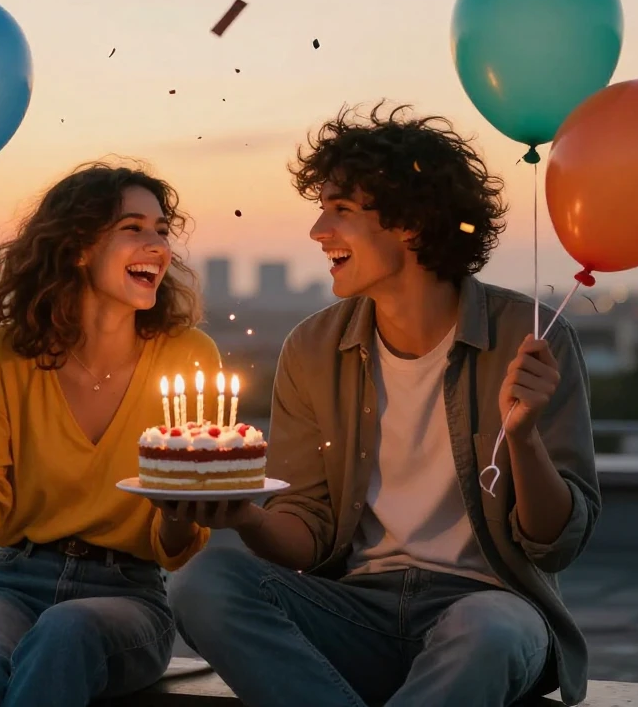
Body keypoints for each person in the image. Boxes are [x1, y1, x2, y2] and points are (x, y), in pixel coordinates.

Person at [169, 105, 600, 707]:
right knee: (204, 583)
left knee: (491, 632)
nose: (318, 231)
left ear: (412, 225)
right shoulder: (313, 348)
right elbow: (309, 532)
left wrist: (523, 438)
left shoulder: (529, 339)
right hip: (354, 612)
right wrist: (246, 516)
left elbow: (556, 543)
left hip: (485, 609)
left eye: (341, 210)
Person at [0, 162, 220, 707]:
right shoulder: (7, 354)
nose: (157, 245)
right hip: (13, 579)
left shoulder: (188, 360)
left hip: (130, 593)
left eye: (162, 230)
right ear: (78, 247)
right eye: (133, 228)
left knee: (65, 633)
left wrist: (178, 496)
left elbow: (175, 551)